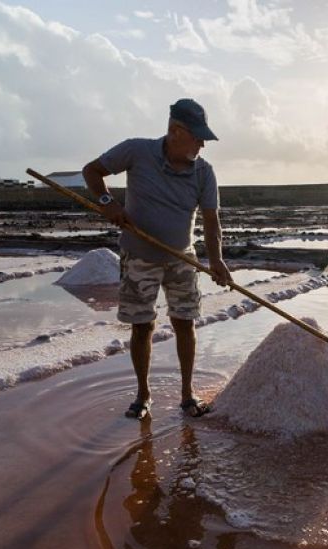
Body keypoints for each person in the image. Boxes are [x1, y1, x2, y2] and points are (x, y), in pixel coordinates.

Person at [82, 98, 233, 420]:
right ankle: (142, 395)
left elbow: (210, 220)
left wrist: (216, 260)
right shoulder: (136, 151)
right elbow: (92, 171)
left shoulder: (204, 172)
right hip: (139, 257)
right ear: (176, 131)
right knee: (142, 326)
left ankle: (187, 393)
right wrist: (108, 202)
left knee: (185, 323)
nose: (203, 144)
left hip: (183, 260)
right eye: (198, 137)